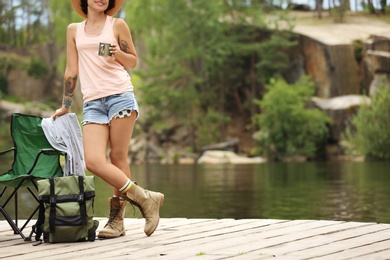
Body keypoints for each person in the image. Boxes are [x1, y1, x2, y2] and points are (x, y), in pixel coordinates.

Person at [52, 0, 164, 238]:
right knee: (92, 160)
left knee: (117, 157)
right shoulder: (74, 30)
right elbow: (72, 70)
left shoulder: (117, 25)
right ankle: (145, 198)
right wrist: (66, 105)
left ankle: (117, 221)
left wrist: (118, 54)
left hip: (120, 97)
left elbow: (133, 61)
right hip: (93, 103)